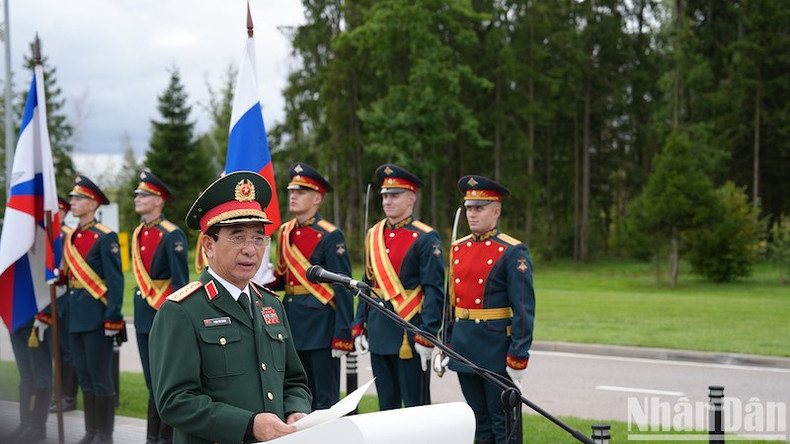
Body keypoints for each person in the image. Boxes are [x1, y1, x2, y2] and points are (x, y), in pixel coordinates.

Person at [149, 171, 312, 444]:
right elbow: (174, 402)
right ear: (208, 246)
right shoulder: (182, 310)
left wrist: (296, 410)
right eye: (237, 238)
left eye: (259, 238)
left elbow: (294, 382)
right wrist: (248, 425)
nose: (250, 249)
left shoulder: (270, 304)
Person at [440, 175, 536, 444]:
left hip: (495, 348)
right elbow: (452, 303)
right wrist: (446, 343)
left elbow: (524, 310)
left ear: (496, 211)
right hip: (464, 344)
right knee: (477, 421)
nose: (472, 214)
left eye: (479, 208)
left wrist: (518, 356)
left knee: (502, 422)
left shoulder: (512, 250)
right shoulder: (457, 248)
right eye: (469, 208)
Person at [352, 163, 445, 410]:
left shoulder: (426, 237)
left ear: (411, 198)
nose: (387, 201)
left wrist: (427, 335)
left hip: (411, 332)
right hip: (380, 330)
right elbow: (367, 283)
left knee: (416, 408)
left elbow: (434, 290)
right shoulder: (374, 234)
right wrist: (359, 324)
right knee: (387, 407)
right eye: (384, 196)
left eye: (395, 195)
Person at [271, 162, 353, 410]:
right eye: (291, 191)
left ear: (317, 198)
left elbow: (343, 287)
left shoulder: (330, 234)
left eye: (301, 192)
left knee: (324, 399)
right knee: (296, 395)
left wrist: (342, 334)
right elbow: (283, 279)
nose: (293, 196)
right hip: (291, 320)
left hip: (321, 325)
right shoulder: (284, 231)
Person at [64, 174, 124, 444]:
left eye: (78, 199)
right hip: (74, 317)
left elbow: (115, 281)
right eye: (73, 198)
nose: (72, 203)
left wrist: (113, 316)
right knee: (85, 378)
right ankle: (91, 431)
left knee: (101, 378)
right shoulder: (72, 237)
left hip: (98, 317)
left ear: (92, 204)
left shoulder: (105, 237)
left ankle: (104, 434)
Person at [131, 170, 189, 444]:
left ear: (158, 200)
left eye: (143, 194)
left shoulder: (172, 234)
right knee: (151, 383)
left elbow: (180, 282)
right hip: (143, 315)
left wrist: (178, 321)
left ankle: (165, 439)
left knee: (165, 382)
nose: (137, 198)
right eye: (137, 194)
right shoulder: (138, 234)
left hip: (163, 315)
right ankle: (151, 438)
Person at [46, 195, 79, 414]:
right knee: (53, 351)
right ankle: (55, 394)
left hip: (65, 298)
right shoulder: (47, 236)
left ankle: (68, 396)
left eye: (60, 211)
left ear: (65, 213)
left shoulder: (68, 236)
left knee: (66, 351)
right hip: (47, 300)